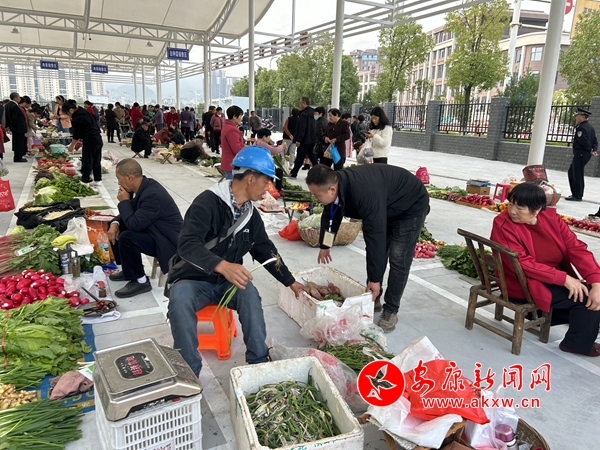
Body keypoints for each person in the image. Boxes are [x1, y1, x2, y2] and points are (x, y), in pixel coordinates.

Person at [166, 146, 306, 376]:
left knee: (249, 294)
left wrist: (290, 282)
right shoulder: (207, 203)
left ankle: (258, 362)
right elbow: (187, 244)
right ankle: (188, 372)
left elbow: (265, 251)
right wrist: (221, 265)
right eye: (266, 181)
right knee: (179, 299)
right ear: (251, 178)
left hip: (226, 284)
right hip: (193, 280)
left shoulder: (251, 215)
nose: (268, 188)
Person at [306, 164, 430, 332]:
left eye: (316, 195)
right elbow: (331, 214)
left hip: (409, 205)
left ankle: (391, 309)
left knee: (398, 257)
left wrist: (374, 278)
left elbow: (374, 236)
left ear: (332, 189)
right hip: (386, 203)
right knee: (381, 250)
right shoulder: (337, 185)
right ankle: (374, 296)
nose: (315, 198)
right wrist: (325, 244)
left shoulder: (364, 193)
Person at [490, 182, 600, 356]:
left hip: (549, 277)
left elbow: (576, 248)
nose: (512, 211)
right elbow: (521, 264)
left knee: (593, 293)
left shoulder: (552, 219)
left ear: (537, 210)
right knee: (584, 298)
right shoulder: (503, 224)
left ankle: (543, 316)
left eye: (520, 208)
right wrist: (564, 278)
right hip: (522, 283)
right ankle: (576, 345)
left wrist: (596, 280)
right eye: (511, 204)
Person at [107, 159, 183, 298]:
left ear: (129, 177)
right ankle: (128, 269)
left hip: (166, 241)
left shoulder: (152, 194)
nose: (118, 183)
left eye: (119, 178)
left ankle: (140, 281)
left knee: (127, 237)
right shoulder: (141, 187)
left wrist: (124, 202)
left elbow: (134, 224)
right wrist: (115, 223)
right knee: (115, 226)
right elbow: (131, 214)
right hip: (153, 230)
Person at [62, 100, 103, 184]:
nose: (68, 115)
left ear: (70, 110)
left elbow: (77, 133)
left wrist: (72, 145)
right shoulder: (83, 111)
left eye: (67, 113)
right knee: (96, 160)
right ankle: (98, 179)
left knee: (87, 160)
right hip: (98, 138)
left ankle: (85, 180)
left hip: (90, 139)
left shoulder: (77, 117)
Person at [566, 108, 598, 202]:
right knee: (572, 172)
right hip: (584, 154)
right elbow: (595, 141)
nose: (576, 118)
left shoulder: (581, 128)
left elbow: (583, 140)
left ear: (583, 116)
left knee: (577, 173)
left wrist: (590, 150)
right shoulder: (590, 127)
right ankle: (576, 193)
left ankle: (577, 195)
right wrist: (594, 149)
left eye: (577, 116)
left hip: (581, 154)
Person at [289, 97, 318, 178]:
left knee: (300, 157)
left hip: (304, 140)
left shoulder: (304, 114)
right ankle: (319, 172)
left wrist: (299, 139)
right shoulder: (314, 113)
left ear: (304, 103)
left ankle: (294, 172)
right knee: (312, 157)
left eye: (300, 103)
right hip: (312, 139)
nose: (300, 105)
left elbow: (302, 128)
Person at [220, 105, 245, 180]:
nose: (241, 118)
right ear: (234, 116)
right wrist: (247, 150)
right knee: (233, 186)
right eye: (240, 116)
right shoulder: (231, 130)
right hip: (232, 165)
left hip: (230, 163)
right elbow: (237, 149)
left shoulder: (227, 126)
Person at [5, 92, 28, 162]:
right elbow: (15, 118)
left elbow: (7, 117)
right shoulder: (15, 106)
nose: (20, 99)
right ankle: (18, 158)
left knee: (16, 143)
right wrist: (11, 126)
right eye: (19, 97)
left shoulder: (8, 105)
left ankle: (17, 156)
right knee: (19, 143)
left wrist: (8, 126)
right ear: (15, 98)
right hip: (18, 128)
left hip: (15, 128)